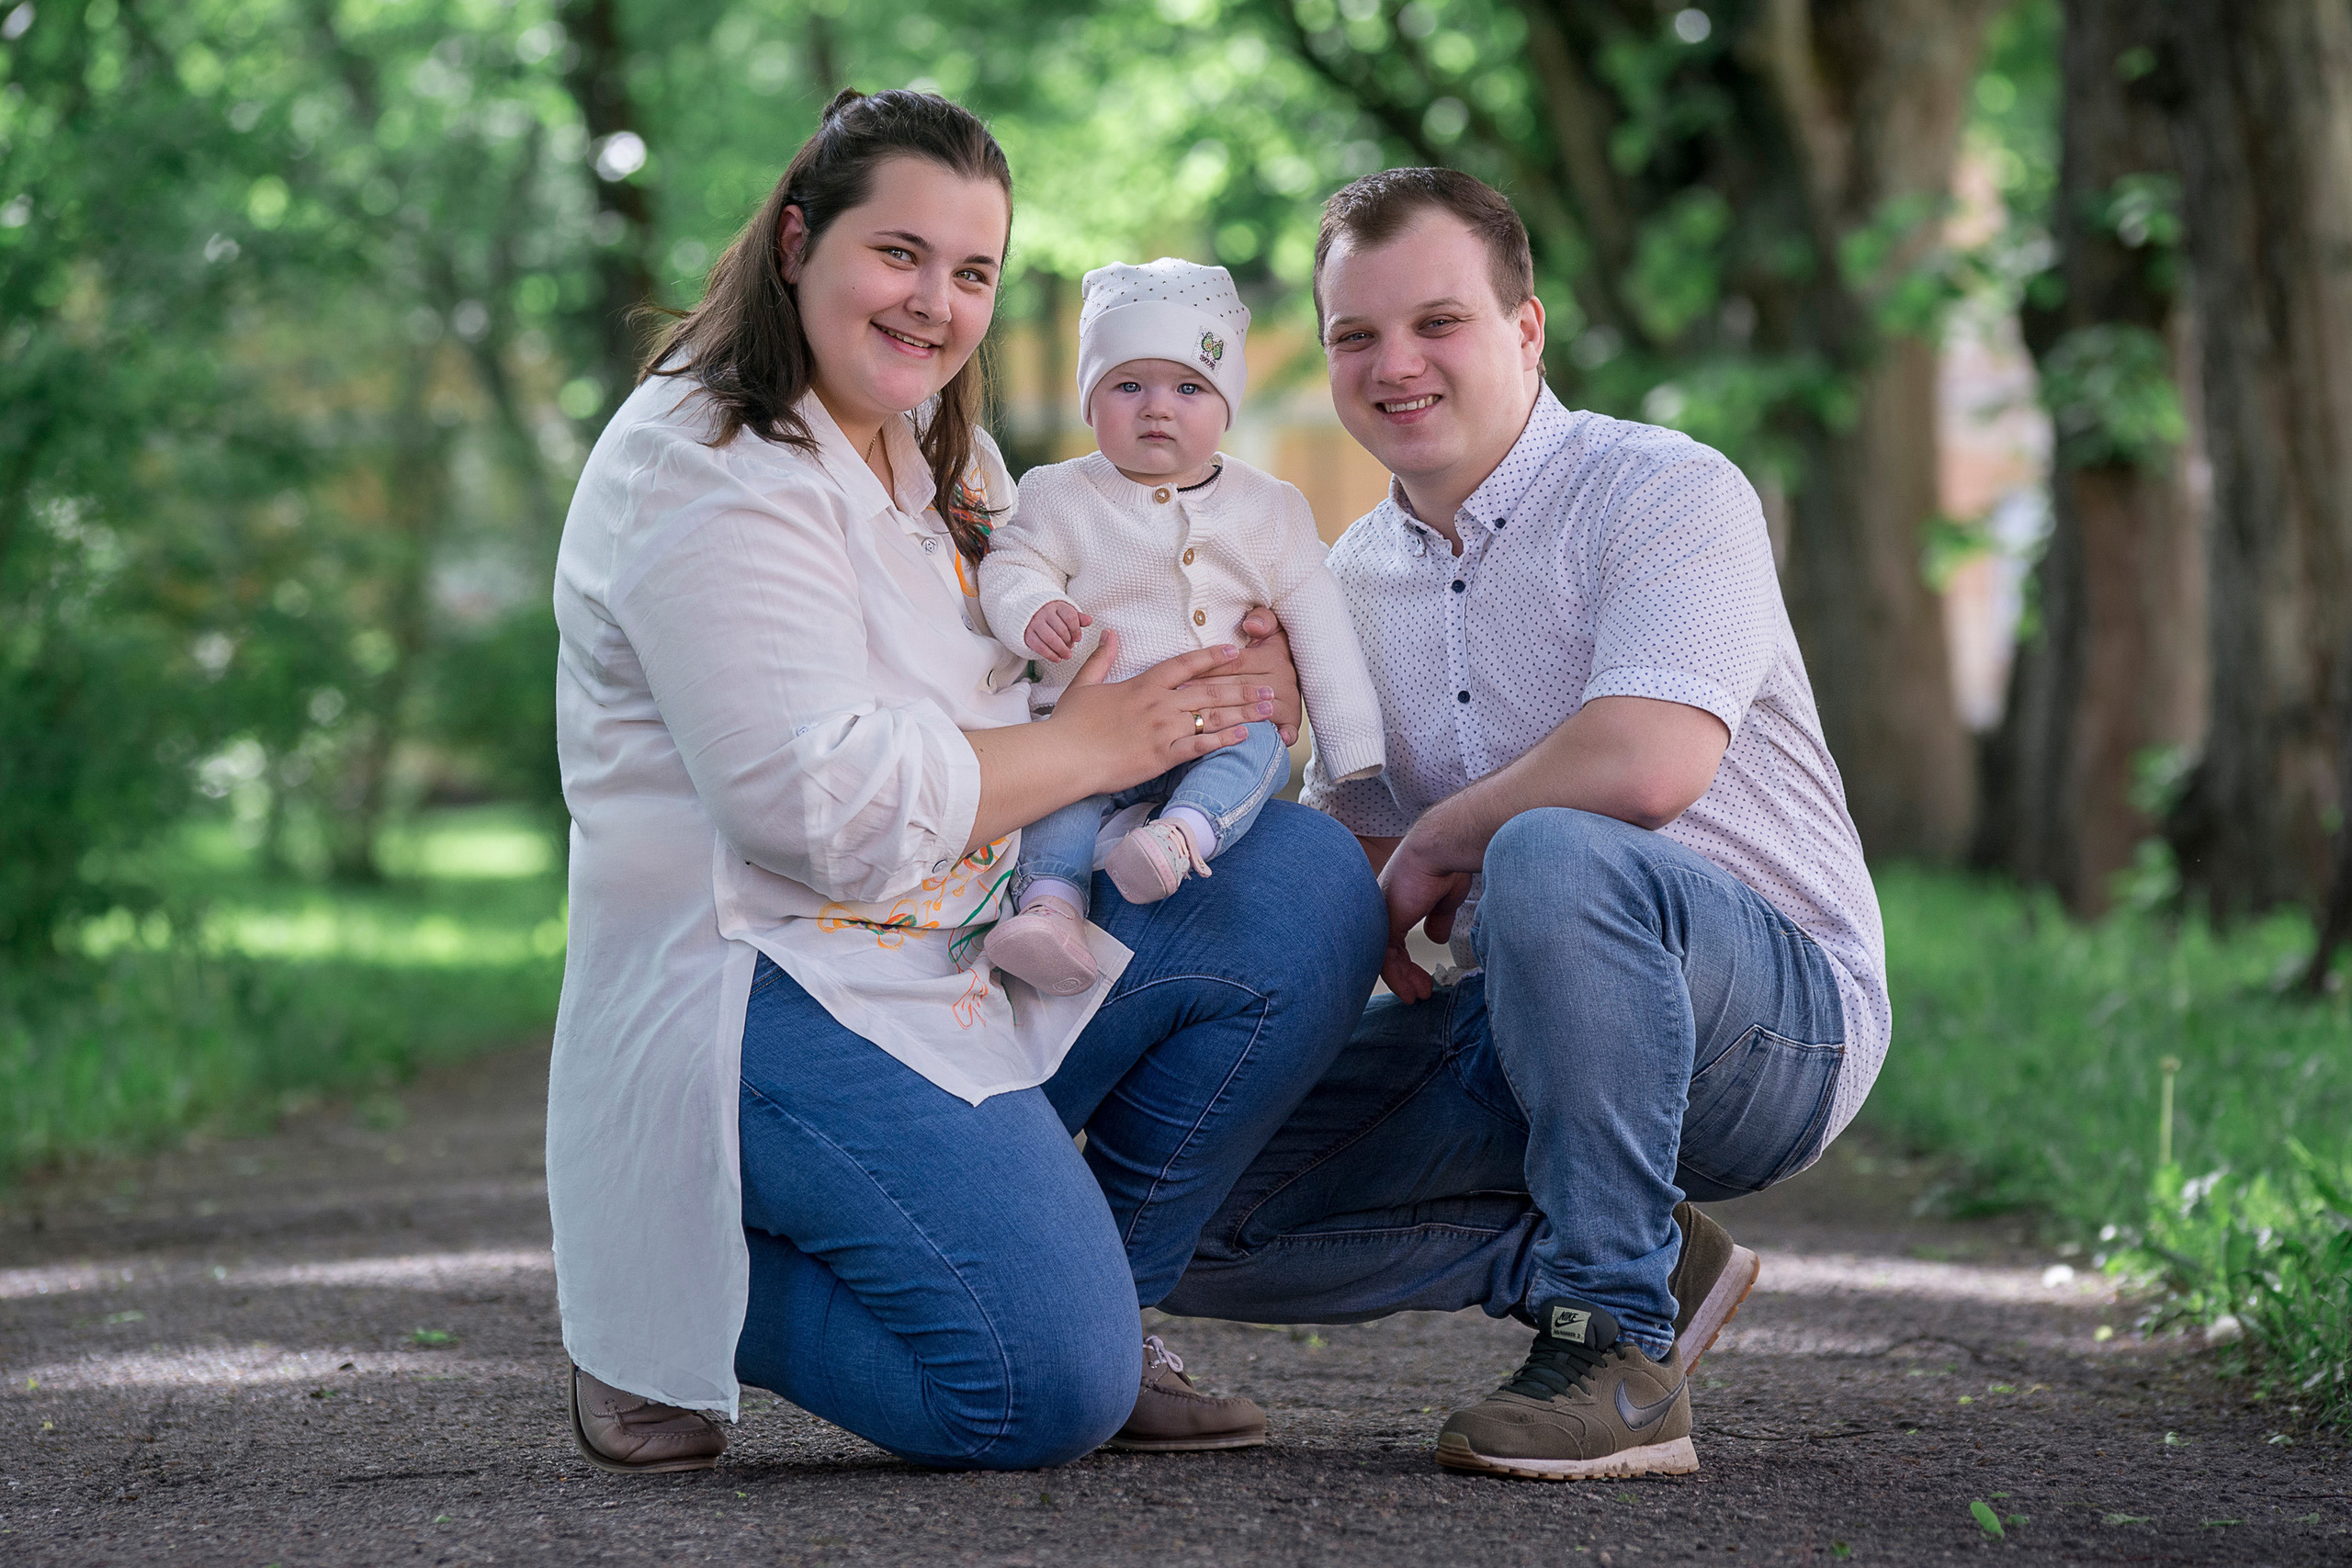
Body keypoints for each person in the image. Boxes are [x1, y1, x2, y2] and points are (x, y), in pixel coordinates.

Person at [545, 89, 1385, 1476]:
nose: (936, 301)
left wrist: (1223, 684)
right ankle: (667, 1284)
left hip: (967, 939)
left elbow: (1050, 668)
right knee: (1037, 1390)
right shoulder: (700, 464)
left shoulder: (951, 455)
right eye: (901, 253)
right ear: (800, 240)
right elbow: (812, 811)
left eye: (974, 271)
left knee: (1301, 884)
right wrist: (1110, 741)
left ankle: (1082, 1287)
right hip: (762, 980)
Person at [1165, 168, 1890, 1483]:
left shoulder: (1664, 489)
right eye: (1355, 335)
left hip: (1771, 1023)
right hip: (1529, 1031)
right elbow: (1366, 864)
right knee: (1169, 1197)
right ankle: (1617, 1253)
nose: (1396, 364)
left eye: (1437, 322)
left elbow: (1648, 763)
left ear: (1528, 329)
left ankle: (1613, 1346)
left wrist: (1450, 835)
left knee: (1557, 845)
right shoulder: (1346, 585)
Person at [978, 257, 1384, 996]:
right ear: (1090, 400)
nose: (1157, 407)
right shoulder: (1060, 495)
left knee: (1257, 737)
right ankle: (1050, 907)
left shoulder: (1271, 508)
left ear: (1227, 405)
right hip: (1093, 730)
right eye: (1128, 385)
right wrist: (1033, 610)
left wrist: (1352, 742)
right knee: (1060, 796)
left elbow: (1318, 619)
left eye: (1190, 387)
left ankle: (1181, 836)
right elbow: (1010, 565)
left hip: (1216, 723)